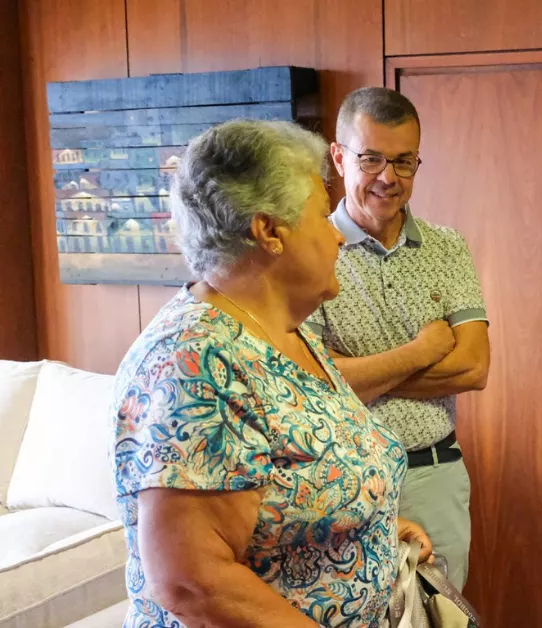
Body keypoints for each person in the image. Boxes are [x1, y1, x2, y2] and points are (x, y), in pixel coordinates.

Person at [111, 119, 434, 627]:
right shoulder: (197, 360)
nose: (335, 235)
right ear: (269, 231)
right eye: (320, 216)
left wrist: (368, 524)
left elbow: (290, 487)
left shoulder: (281, 330)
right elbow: (192, 582)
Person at [307, 87, 489, 590]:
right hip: (341, 482)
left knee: (440, 615)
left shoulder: (448, 247)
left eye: (404, 161)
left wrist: (360, 373)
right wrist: (424, 352)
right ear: (339, 158)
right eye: (371, 159)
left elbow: (474, 368)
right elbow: (313, 385)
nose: (388, 177)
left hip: (435, 474)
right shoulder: (312, 250)